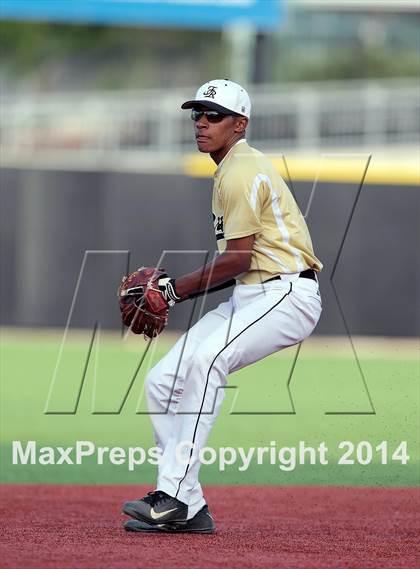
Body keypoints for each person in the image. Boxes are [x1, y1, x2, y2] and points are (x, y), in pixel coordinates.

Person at [123, 79, 323, 534]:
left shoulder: (241, 170)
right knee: (162, 381)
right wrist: (181, 289)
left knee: (208, 361)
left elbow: (237, 258)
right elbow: (238, 266)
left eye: (213, 115)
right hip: (255, 293)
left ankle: (172, 495)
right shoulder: (228, 168)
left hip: (288, 294)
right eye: (197, 113)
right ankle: (189, 506)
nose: (201, 122)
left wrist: (173, 291)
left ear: (239, 124)